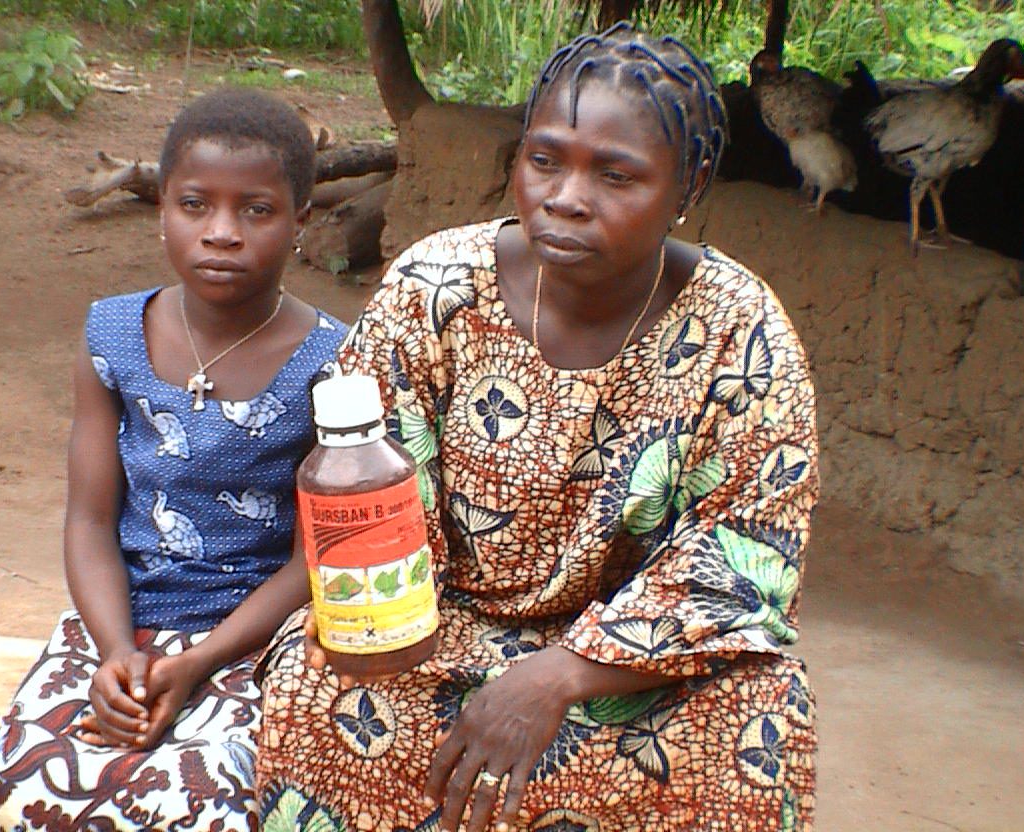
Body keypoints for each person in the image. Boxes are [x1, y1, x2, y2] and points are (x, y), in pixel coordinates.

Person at [255, 23, 819, 832]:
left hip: (634, 657)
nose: (565, 196)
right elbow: (371, 494)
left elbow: (746, 552)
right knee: (321, 687)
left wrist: (561, 674)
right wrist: (403, 635)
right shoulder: (434, 289)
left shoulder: (740, 328)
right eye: (545, 159)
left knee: (759, 715)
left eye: (616, 175)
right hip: (441, 628)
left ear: (689, 187)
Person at [0, 87, 345, 832]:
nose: (222, 233)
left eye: (257, 210)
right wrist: (115, 654)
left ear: (301, 220)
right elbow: (89, 519)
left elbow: (315, 560)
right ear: (161, 210)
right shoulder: (112, 335)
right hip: (122, 615)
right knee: (34, 780)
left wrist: (200, 662)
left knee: (206, 799)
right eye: (195, 205)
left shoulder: (333, 361)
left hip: (259, 632)